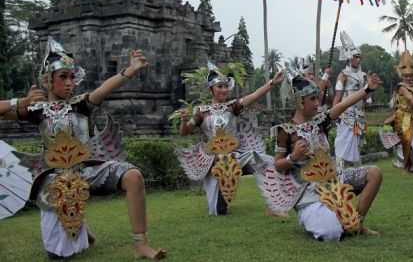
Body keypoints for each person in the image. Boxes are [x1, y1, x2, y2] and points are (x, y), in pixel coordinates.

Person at [4, 37, 165, 259]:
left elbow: (103, 89)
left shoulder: (80, 104)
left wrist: (130, 70)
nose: (69, 82)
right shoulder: (37, 110)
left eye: (72, 77)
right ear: (47, 80)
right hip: (54, 177)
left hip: (89, 170)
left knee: (133, 176)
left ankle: (141, 245)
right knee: (58, 255)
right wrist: (22, 101)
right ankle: (83, 230)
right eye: (63, 77)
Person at [267, 63, 383, 241]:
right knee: (332, 233)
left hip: (335, 180)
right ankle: (317, 220)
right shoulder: (285, 131)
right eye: (312, 99)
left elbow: (342, 106)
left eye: (317, 98)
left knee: (374, 173)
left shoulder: (320, 121)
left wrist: (367, 89)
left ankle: (357, 223)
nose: (317, 103)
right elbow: (278, 165)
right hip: (309, 193)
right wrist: (293, 157)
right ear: (299, 101)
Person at [175, 61, 284, 216]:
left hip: (236, 156)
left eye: (226, 86)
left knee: (270, 162)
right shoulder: (202, 111)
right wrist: (184, 120)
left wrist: (272, 82)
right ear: (211, 89)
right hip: (213, 161)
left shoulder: (232, 106)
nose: (224, 90)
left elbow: (253, 96)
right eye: (220, 86)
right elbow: (184, 132)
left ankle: (274, 206)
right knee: (217, 211)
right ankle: (222, 203)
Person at [333, 31, 370, 168]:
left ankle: (357, 172)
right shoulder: (343, 75)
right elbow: (338, 95)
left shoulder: (363, 75)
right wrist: (334, 112)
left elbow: (365, 96)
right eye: (356, 57)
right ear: (349, 57)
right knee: (343, 143)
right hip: (346, 114)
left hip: (359, 114)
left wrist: (368, 98)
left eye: (359, 57)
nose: (358, 60)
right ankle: (340, 170)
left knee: (358, 143)